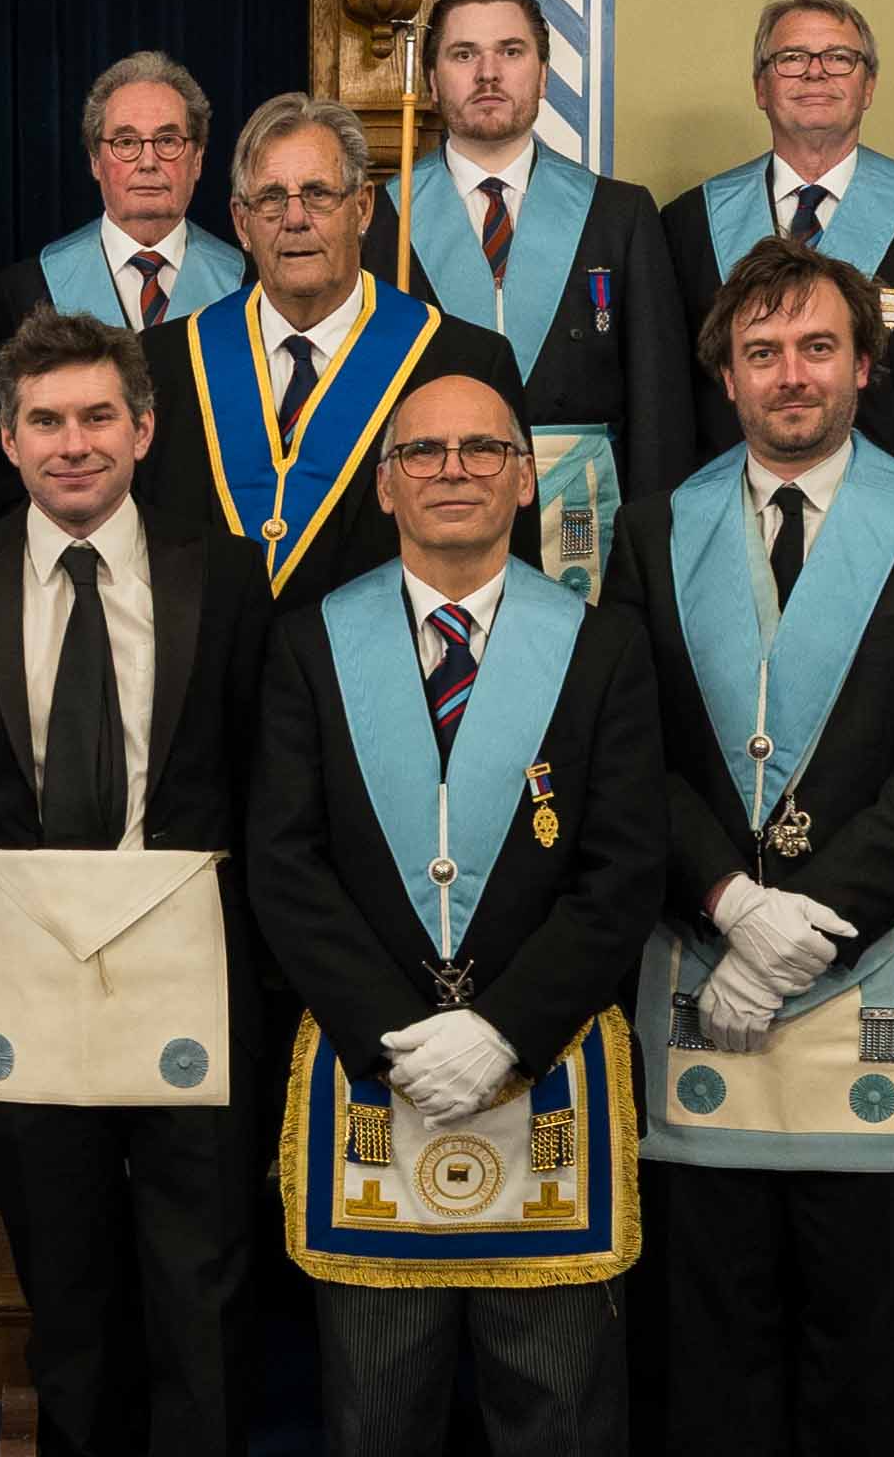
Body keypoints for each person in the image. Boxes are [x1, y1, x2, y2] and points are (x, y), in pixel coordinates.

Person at [603, 238, 894, 1457]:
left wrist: (798, 933)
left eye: (818, 346)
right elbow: (633, 754)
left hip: (868, 963)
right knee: (712, 1329)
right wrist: (733, 906)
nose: (791, 374)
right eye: (762, 351)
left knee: (860, 1335)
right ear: (725, 375)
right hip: (699, 955)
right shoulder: (655, 529)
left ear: (865, 366)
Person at [251, 372, 665, 1457]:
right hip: (373, 1073)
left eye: (482, 450)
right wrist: (393, 1035)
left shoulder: (601, 647)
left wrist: (502, 1031)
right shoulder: (309, 645)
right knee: (377, 1413)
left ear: (525, 479)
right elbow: (285, 866)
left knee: (561, 1414)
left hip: (546, 1060)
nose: (453, 471)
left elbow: (624, 869)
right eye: (422, 452)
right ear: (384, 485)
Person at [0, 310, 274, 1457]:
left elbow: (263, 778)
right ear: (8, 441)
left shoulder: (227, 574)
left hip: (193, 979)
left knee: (202, 1295)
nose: (74, 444)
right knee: (66, 1298)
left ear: (143, 429)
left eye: (98, 416)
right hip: (26, 977)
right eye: (46, 421)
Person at [135, 93, 525, 605]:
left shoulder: (463, 361)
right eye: (271, 198)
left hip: (379, 653)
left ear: (362, 208)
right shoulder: (163, 364)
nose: (295, 218)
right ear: (241, 222)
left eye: (318, 194)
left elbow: (504, 575)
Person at [367, 0, 691, 592]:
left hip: (582, 513)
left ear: (543, 76)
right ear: (432, 82)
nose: (488, 73)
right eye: (464, 54)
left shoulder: (619, 215)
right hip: (434, 503)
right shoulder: (381, 220)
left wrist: (655, 553)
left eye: (511, 52)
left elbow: (659, 407)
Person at [658, 0, 894, 473]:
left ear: (868, 86)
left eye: (839, 58)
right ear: (760, 88)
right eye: (792, 58)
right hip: (732, 494)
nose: (816, 72)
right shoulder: (687, 223)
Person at [0, 53, 253, 519]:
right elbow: (4, 474)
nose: (148, 161)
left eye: (168, 141)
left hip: (211, 540)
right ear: (95, 160)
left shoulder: (248, 284)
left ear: (198, 159)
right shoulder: (26, 289)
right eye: (125, 142)